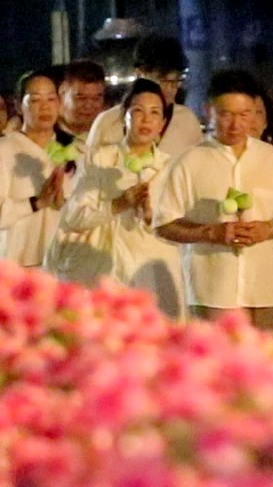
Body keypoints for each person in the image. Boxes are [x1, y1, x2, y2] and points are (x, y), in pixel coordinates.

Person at [151, 69, 273, 329]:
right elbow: (164, 224)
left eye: (244, 114)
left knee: (264, 365)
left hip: (264, 288)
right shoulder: (189, 162)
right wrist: (211, 232)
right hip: (211, 291)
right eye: (226, 114)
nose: (235, 124)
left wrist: (268, 229)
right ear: (208, 110)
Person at [56, 79, 185, 316]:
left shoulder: (172, 168)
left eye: (154, 113)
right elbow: (74, 217)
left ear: (163, 123)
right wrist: (118, 204)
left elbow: (184, 233)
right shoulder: (100, 160)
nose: (146, 120)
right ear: (124, 116)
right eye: (138, 111)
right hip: (108, 271)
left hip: (154, 273)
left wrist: (151, 217)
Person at [0, 71, 77, 269]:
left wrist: (65, 204)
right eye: (35, 100)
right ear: (18, 106)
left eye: (51, 99)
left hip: (66, 266)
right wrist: (36, 202)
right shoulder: (5, 150)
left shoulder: (75, 151)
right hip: (18, 269)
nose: (45, 106)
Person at [87, 35, 204, 157]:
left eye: (176, 81)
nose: (170, 89)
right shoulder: (108, 122)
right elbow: (89, 170)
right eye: (162, 80)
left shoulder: (186, 121)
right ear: (139, 74)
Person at [57, 59, 108, 142]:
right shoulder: (44, 134)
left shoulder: (112, 136)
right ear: (62, 92)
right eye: (81, 98)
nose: (88, 106)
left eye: (96, 99)